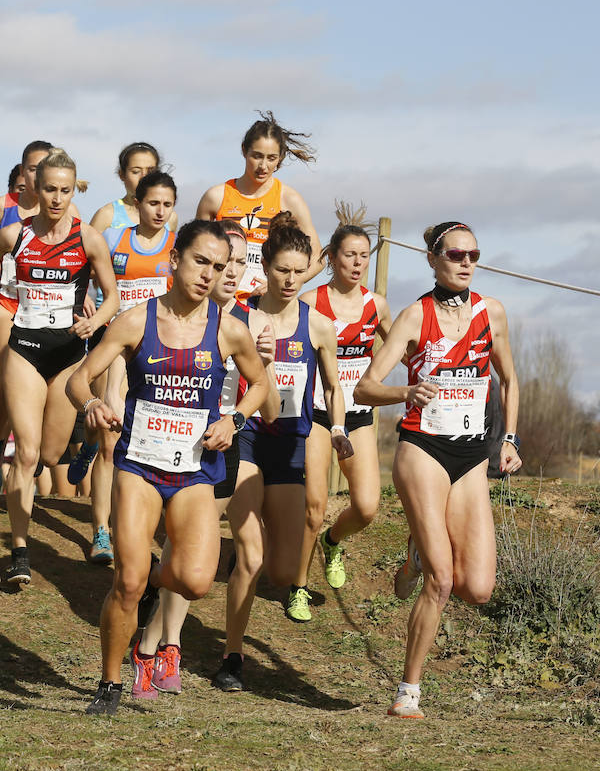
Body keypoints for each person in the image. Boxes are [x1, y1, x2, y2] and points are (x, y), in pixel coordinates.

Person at [66, 220, 271, 714]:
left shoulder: (229, 330)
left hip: (195, 470)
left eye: (218, 266)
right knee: (128, 582)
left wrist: (235, 419)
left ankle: (150, 585)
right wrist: (91, 405)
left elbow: (261, 384)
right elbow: (79, 379)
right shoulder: (136, 321)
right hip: (140, 465)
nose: (209, 274)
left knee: (196, 581)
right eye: (201, 261)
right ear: (175, 259)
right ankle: (110, 684)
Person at [354, 221, 521, 719]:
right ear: (432, 258)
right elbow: (365, 387)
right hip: (422, 449)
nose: (466, 262)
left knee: (478, 588)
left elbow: (510, 380)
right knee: (443, 582)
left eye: (473, 254)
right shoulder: (414, 316)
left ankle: (415, 553)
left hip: (471, 455)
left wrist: (509, 439)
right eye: (455, 254)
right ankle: (408, 692)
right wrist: (406, 391)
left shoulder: (492, 312)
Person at [0, 148, 116, 585]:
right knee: (26, 453)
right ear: (35, 189)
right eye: (50, 189)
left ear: (73, 191)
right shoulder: (14, 234)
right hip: (24, 348)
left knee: (49, 454)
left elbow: (112, 296)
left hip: (68, 355)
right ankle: (19, 552)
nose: (57, 198)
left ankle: (73, 452)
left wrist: (95, 320)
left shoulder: (88, 239)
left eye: (65, 190)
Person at [215, 212, 352, 693]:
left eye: (298, 271)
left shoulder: (319, 327)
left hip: (292, 442)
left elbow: (333, 387)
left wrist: (337, 427)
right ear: (266, 267)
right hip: (248, 436)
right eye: (281, 270)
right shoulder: (240, 317)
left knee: (282, 569)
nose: (290, 280)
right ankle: (232, 656)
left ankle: (248, 558)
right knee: (251, 558)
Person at [134, 219, 253, 694]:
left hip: (217, 448)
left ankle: (166, 643)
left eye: (238, 263)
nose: (227, 272)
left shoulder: (250, 324)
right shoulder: (164, 315)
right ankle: (154, 640)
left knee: (190, 557)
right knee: (175, 550)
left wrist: (236, 419)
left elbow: (266, 392)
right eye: (217, 262)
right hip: (158, 447)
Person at [71, 170, 179, 563]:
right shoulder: (115, 239)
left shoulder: (177, 248)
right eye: (153, 203)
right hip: (115, 346)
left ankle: (140, 522)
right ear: (137, 202)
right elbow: (85, 276)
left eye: (168, 205)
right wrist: (86, 302)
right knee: (109, 440)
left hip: (157, 353)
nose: (160, 211)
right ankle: (102, 532)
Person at [290, 206, 391, 620]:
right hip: (316, 413)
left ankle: (332, 543)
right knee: (314, 506)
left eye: (364, 256)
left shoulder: (376, 305)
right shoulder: (311, 302)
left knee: (366, 507)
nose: (357, 263)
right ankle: (298, 587)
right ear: (331, 257)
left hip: (357, 415)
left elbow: (403, 348)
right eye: (349, 255)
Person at [0, 142, 83, 489]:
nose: (39, 177)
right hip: (7, 301)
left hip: (48, 311)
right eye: (34, 169)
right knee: (8, 376)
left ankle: (33, 448)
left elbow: (77, 260)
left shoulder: (69, 210)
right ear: (25, 172)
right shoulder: (2, 207)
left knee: (45, 399)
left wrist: (84, 302)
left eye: (45, 169)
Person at [196, 111, 322, 304]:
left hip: (266, 303)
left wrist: (281, 282)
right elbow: (195, 251)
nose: (263, 166)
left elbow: (318, 257)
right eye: (257, 156)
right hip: (220, 302)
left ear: (280, 157)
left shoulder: (289, 199)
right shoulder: (216, 197)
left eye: (271, 158)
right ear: (244, 150)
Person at [88, 141, 176, 232]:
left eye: (150, 171)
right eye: (136, 172)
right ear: (122, 174)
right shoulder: (107, 215)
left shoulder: (170, 218)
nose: (144, 176)